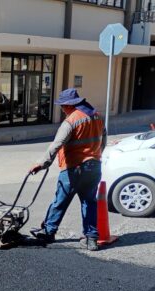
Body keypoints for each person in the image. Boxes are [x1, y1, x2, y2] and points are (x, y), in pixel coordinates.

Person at [29, 88, 106, 251]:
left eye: (63, 106)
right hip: (94, 167)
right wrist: (95, 156)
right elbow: (102, 140)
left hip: (74, 168)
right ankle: (91, 238)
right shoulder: (97, 116)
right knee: (89, 202)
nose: (62, 109)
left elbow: (57, 144)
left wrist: (41, 163)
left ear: (69, 105)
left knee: (60, 201)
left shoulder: (71, 121)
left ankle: (48, 232)